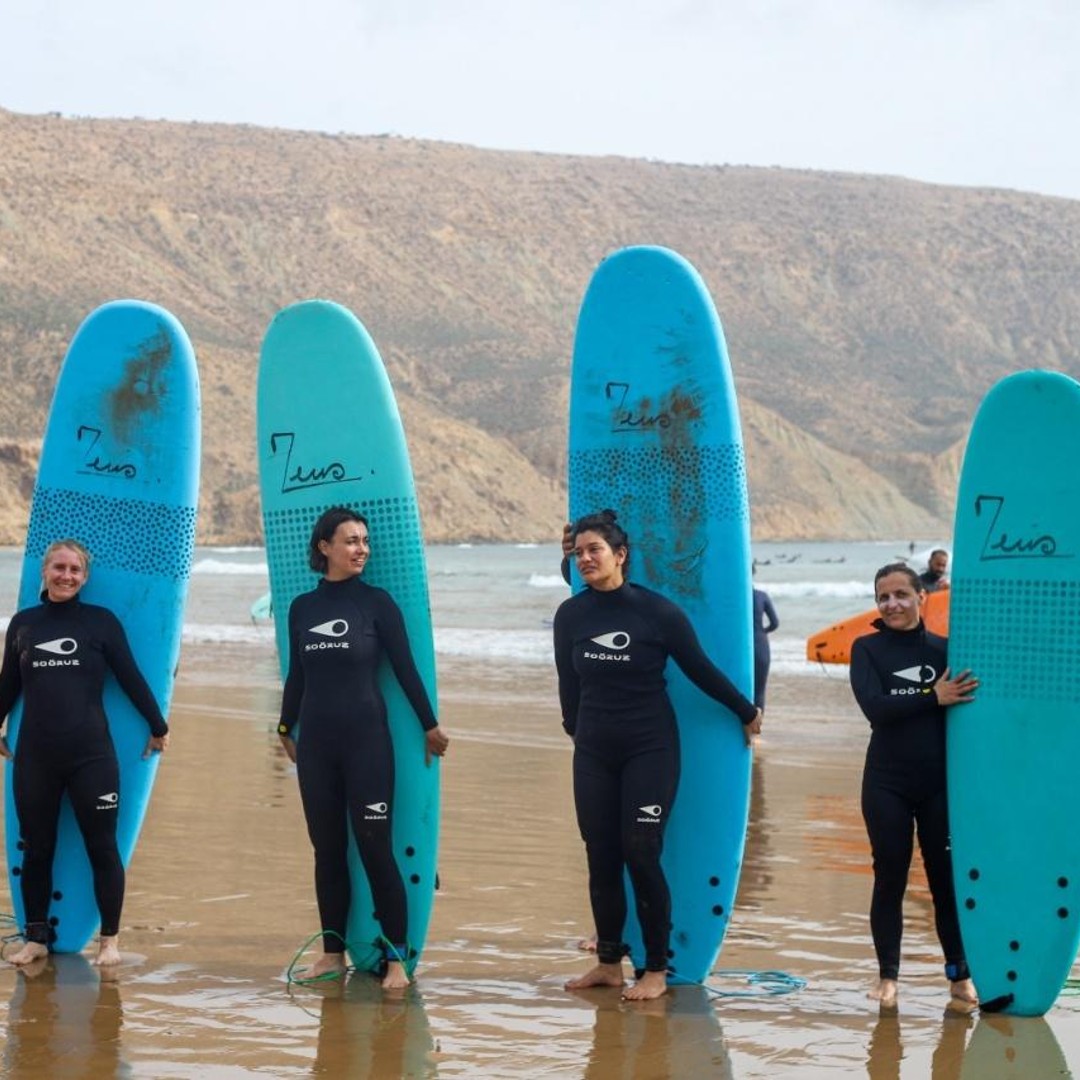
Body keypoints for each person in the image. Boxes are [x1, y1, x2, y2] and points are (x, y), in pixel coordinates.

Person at [553, 509, 762, 1001]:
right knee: (600, 855)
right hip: (594, 750)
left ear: (620, 555)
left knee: (642, 852)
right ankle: (607, 962)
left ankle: (655, 968)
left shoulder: (657, 612)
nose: (586, 558)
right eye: (579, 552)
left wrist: (745, 709)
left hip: (651, 747)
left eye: (595, 550)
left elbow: (699, 668)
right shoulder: (571, 615)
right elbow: (568, 684)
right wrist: (577, 732)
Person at [278, 507, 449, 989]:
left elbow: (405, 668)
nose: (361, 550)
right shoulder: (302, 609)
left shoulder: (377, 603)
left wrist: (429, 725)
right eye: (350, 541)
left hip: (368, 744)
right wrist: (284, 727)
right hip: (317, 746)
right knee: (327, 850)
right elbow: (297, 676)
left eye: (365, 542)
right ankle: (333, 954)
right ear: (324, 547)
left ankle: (396, 958)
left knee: (376, 847)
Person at [0, 539, 169, 968]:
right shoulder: (23, 625)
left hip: (92, 757)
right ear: (45, 571)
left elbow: (130, 675)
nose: (67, 576)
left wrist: (157, 725)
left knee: (102, 847)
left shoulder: (101, 623)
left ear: (85, 576)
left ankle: (109, 942)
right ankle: (36, 937)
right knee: (35, 848)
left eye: (75, 570)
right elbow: (8, 686)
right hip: (36, 757)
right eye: (59, 567)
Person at [849, 562, 978, 1008]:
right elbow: (875, 708)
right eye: (883, 597)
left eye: (901, 594)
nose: (892, 604)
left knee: (945, 880)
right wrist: (931, 697)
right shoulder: (866, 649)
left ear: (922, 596)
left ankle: (960, 976)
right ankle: (888, 977)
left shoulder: (947, 651)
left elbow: (977, 709)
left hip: (939, 782)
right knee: (890, 877)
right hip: (887, 781)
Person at [752, 567, 779, 710]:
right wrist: (762, 631)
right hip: (760, 644)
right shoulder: (762, 596)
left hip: (739, 646)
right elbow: (775, 623)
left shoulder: (735, 598)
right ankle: (757, 727)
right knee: (759, 691)